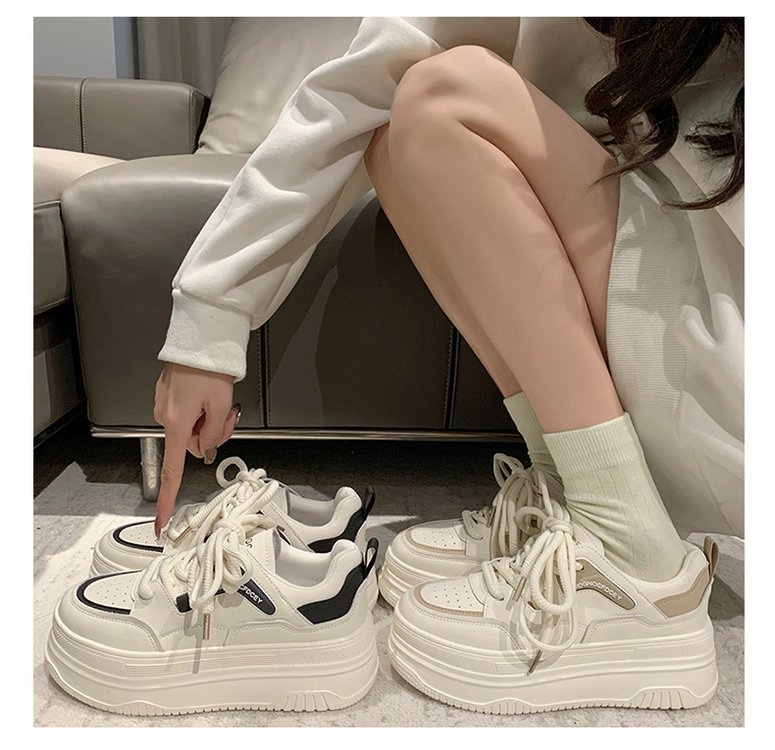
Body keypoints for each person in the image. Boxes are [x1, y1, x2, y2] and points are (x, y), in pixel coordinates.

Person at [153, 12, 742, 619]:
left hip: (723, 348)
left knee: (443, 94)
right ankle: (568, 495)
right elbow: (358, 92)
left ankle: (630, 549)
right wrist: (209, 319)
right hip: (686, 292)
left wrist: (208, 312)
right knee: (393, 142)